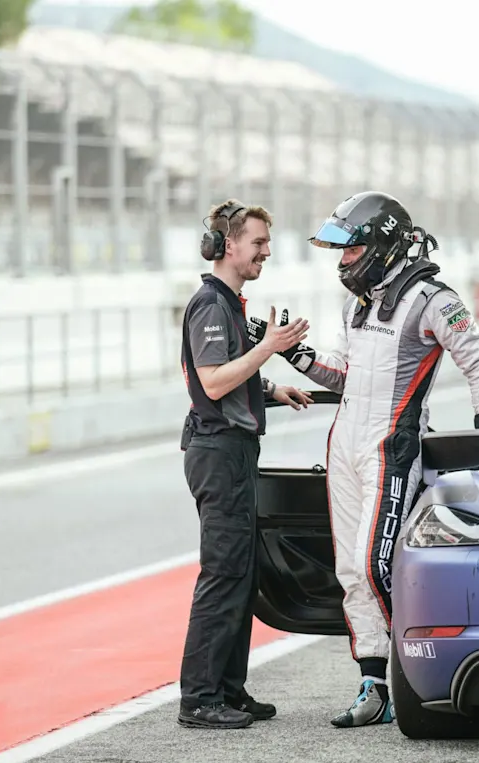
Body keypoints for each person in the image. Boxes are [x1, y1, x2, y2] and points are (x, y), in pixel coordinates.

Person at [247, 191, 479, 727]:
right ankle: (372, 684)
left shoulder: (434, 298)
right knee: (348, 569)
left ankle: (412, 678)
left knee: (373, 562)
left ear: (382, 247)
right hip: (343, 445)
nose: (342, 262)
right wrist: (299, 357)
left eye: (350, 250)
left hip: (392, 446)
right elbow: (344, 375)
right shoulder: (356, 303)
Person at [176, 198, 314, 730]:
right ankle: (200, 699)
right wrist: (270, 349)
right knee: (223, 573)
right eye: (257, 242)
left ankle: (229, 692)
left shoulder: (229, 303)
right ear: (228, 245)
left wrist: (273, 388)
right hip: (218, 451)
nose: (266, 251)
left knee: (241, 574)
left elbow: (227, 376)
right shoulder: (211, 304)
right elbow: (211, 380)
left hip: (231, 449)